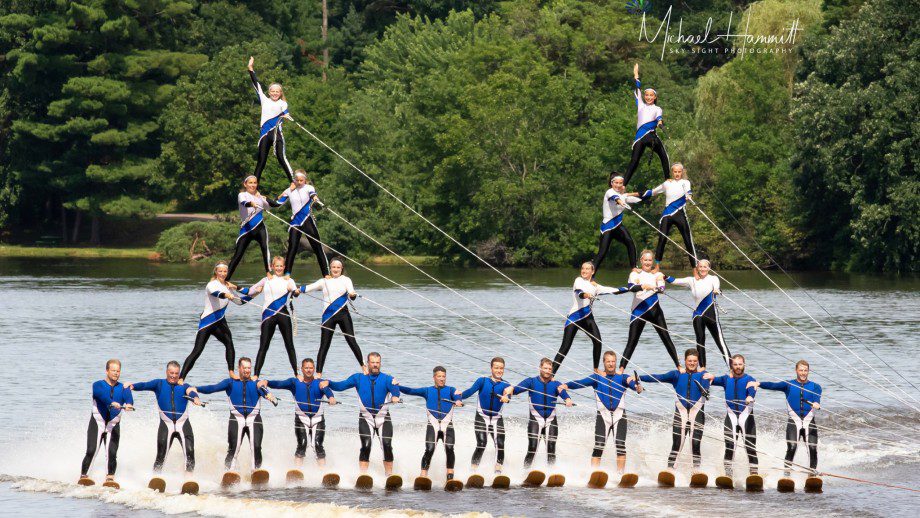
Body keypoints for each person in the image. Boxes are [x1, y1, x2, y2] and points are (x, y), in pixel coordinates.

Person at [191, 357, 276, 472]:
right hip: (236, 419)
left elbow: (266, 392)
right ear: (239, 368)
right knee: (233, 448)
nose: (247, 370)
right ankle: (229, 472)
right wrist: (196, 389)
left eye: (249, 368)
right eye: (244, 367)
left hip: (254, 419)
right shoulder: (230, 383)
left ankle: (256, 472)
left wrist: (270, 397)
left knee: (256, 447)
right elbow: (213, 388)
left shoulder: (257, 384)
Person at [321, 352, 401, 475]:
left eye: (377, 363)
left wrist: (395, 396)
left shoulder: (387, 378)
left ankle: (389, 475)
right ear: (367, 363)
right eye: (373, 362)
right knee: (366, 445)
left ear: (380, 363)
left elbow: (395, 389)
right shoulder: (358, 378)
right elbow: (340, 386)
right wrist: (329, 383)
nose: (375, 365)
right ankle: (363, 475)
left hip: (383, 418)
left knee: (387, 444)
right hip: (366, 418)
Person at [564, 351, 642, 473]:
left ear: (616, 362)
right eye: (608, 361)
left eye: (613, 361)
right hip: (603, 417)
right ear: (604, 363)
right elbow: (580, 383)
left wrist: (638, 387)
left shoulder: (623, 377)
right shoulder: (596, 378)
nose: (611, 364)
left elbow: (634, 385)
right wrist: (565, 386)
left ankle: (620, 474)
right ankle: (594, 474)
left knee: (620, 445)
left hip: (619, 416)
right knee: (599, 446)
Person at [639, 349, 711, 471]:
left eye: (694, 361)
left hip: (697, 414)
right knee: (676, 445)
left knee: (696, 445)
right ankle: (669, 471)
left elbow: (706, 385)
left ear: (698, 361)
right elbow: (658, 377)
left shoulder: (703, 375)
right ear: (685, 361)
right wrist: (639, 377)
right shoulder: (676, 375)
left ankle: (696, 472)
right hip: (681, 414)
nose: (692, 363)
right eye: (689, 361)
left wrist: (706, 390)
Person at [129, 361, 203, 476]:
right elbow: (144, 385)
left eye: (176, 373)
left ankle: (188, 479)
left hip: (183, 424)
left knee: (190, 452)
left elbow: (191, 391)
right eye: (171, 373)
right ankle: (156, 478)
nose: (173, 376)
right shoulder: (159, 384)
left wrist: (196, 398)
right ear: (166, 372)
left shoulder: (184, 386)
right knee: (161, 455)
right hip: (166, 424)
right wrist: (132, 386)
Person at [749, 360, 822, 476]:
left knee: (813, 449)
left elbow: (817, 398)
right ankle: (786, 476)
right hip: (794, 422)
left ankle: (812, 475)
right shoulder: (788, 385)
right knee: (792, 447)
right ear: (796, 371)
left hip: (809, 422)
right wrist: (759, 384)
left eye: (805, 370)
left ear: (808, 371)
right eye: (801, 370)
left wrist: (817, 403)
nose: (803, 373)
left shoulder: (815, 387)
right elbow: (773, 385)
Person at [259, 358, 336, 467]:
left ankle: (323, 473)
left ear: (314, 369)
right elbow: (279, 384)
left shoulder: (320, 383)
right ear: (302, 369)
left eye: (311, 368)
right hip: (301, 419)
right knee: (302, 445)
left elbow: (327, 391)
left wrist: (331, 397)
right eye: (306, 368)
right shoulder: (294, 383)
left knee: (318, 445)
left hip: (318, 419)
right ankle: (297, 472)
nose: (309, 370)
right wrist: (267, 382)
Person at [503, 358, 573, 469]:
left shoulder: (556, 384)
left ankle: (551, 473)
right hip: (535, 419)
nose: (547, 370)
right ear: (540, 368)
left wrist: (568, 399)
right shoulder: (531, 382)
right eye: (545, 368)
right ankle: (525, 472)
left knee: (551, 449)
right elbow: (515, 390)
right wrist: (508, 394)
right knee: (532, 448)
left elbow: (563, 393)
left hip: (551, 420)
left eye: (550, 369)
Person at [300, 257, 364, 377]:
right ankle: (318, 373)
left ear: (342, 269)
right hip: (328, 316)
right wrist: (297, 290)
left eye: (338, 267)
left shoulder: (346, 280)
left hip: (343, 314)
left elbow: (352, 293)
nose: (335, 269)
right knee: (324, 345)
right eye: (333, 267)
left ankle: (364, 367)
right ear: (330, 268)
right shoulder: (324, 281)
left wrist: (352, 295)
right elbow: (309, 288)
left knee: (351, 340)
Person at [616, 250, 680, 370]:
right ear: (641, 261)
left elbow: (661, 286)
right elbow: (631, 288)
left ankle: (679, 366)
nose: (647, 262)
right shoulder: (635, 274)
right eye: (645, 260)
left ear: (652, 262)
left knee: (666, 338)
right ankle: (621, 370)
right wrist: (643, 286)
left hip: (655, 311)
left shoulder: (657, 274)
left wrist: (659, 287)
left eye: (650, 260)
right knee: (632, 342)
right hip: (638, 311)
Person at [238, 256, 300, 378]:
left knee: (289, 345)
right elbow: (249, 292)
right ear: (272, 267)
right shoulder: (266, 279)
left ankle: (297, 374)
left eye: (281, 266)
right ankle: (256, 375)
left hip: (283, 314)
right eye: (276, 266)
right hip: (268, 316)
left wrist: (295, 291)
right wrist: (234, 287)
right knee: (263, 346)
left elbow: (295, 292)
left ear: (284, 267)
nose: (278, 268)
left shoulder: (289, 280)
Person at [664, 259, 730, 369]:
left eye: (705, 267)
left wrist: (717, 290)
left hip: (711, 314)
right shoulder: (692, 280)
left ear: (709, 268)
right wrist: (663, 276)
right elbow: (675, 281)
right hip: (697, 315)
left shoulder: (713, 278)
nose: (703, 269)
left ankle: (731, 368)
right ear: (697, 268)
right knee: (700, 341)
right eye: (700, 267)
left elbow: (717, 287)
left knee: (720, 341)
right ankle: (702, 367)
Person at [401, 366, 464, 480]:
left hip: (447, 425)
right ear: (434, 377)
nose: (442, 379)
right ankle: (423, 476)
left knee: (449, 448)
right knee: (429, 449)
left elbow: (457, 396)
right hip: (433, 425)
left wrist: (458, 400)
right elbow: (411, 391)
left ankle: (450, 477)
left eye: (444, 376)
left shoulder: (450, 390)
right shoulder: (427, 391)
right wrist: (396, 386)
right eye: (439, 376)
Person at [552, 262, 616, 374]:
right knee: (565, 347)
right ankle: (551, 374)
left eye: (587, 269)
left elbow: (615, 290)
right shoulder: (578, 280)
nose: (584, 271)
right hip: (574, 317)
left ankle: (596, 369)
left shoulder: (596, 287)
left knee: (598, 341)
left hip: (587, 318)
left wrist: (633, 288)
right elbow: (579, 292)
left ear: (593, 271)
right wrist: (586, 295)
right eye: (582, 268)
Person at [181, 262, 239, 381]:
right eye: (220, 271)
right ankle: (181, 378)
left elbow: (240, 302)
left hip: (220, 321)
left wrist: (255, 291)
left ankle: (232, 372)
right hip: (207, 322)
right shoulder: (211, 284)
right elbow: (217, 294)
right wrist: (226, 294)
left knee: (229, 342)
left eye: (225, 271)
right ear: (216, 272)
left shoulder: (228, 286)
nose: (223, 273)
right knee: (197, 350)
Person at [79, 360, 134, 485]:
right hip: (97, 423)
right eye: (113, 370)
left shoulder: (123, 388)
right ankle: (84, 476)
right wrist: (111, 402)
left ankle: (110, 478)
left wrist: (130, 404)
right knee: (91, 450)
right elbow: (101, 395)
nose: (116, 373)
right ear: (107, 371)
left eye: (118, 371)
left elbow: (128, 398)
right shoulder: (97, 385)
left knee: (112, 453)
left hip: (113, 425)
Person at [703, 354, 758, 477]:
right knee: (729, 448)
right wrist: (711, 377)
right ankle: (728, 475)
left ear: (744, 365)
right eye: (735, 364)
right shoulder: (726, 379)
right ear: (731, 366)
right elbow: (714, 380)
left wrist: (750, 396)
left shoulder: (750, 379)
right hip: (731, 418)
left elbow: (752, 390)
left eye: (740, 364)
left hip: (746, 418)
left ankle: (754, 475)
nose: (738, 367)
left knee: (750, 449)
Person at [458, 357, 511, 474]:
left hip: (497, 419)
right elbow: (470, 392)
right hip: (482, 417)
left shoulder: (506, 384)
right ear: (491, 368)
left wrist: (506, 398)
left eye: (501, 368)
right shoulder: (482, 381)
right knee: (482, 444)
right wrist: (457, 397)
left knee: (500, 445)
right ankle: (473, 471)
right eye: (496, 368)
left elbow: (508, 396)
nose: (499, 370)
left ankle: (498, 472)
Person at [639, 163, 696, 268]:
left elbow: (689, 191)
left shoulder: (685, 182)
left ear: (682, 172)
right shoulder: (667, 183)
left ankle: (695, 269)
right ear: (672, 172)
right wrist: (630, 194)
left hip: (680, 214)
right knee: (662, 239)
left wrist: (689, 196)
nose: (677, 174)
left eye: (679, 172)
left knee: (688, 240)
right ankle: (657, 267)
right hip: (667, 215)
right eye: (675, 172)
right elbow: (651, 192)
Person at [248, 56, 294, 182]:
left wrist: (286, 115)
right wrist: (250, 68)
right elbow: (256, 84)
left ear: (280, 93)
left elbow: (285, 112)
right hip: (264, 134)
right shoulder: (264, 99)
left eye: (277, 92)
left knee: (280, 157)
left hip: (275, 133)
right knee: (261, 160)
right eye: (272, 91)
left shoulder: (282, 103)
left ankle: (293, 181)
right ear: (269, 92)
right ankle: (254, 186)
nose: (274, 93)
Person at [227, 175, 281, 281]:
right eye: (250, 183)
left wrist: (286, 193)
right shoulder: (242, 195)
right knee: (238, 255)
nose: (253, 185)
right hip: (246, 229)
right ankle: (226, 279)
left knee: (265, 248)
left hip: (260, 227)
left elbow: (275, 205)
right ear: (245, 184)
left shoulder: (260, 197)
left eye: (255, 183)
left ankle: (268, 272)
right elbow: (244, 203)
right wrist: (251, 203)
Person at [623, 62, 669, 185]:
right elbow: (638, 87)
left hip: (650, 135)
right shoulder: (641, 105)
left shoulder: (657, 108)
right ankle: (623, 185)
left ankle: (668, 179)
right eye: (647, 95)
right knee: (634, 160)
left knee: (663, 155)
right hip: (639, 138)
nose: (648, 97)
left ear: (654, 97)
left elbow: (659, 117)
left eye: (651, 95)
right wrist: (636, 74)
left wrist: (660, 123)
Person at [278, 170, 330, 278]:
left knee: (317, 247)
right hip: (295, 222)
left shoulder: (309, 188)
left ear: (305, 180)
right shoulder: (289, 190)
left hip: (307, 219)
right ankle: (287, 273)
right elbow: (277, 203)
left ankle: (326, 274)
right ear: (294, 180)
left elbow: (313, 194)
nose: (299, 182)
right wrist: (265, 201)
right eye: (297, 180)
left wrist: (315, 198)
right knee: (292, 247)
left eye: (301, 180)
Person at [592, 173, 643, 272]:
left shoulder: (623, 196)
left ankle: (633, 268)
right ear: (612, 183)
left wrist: (650, 194)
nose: (618, 185)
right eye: (616, 183)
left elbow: (637, 198)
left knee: (630, 243)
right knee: (602, 252)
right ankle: (591, 275)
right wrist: (622, 202)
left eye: (620, 183)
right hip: (608, 227)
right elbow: (615, 198)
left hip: (618, 226)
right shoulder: (609, 192)